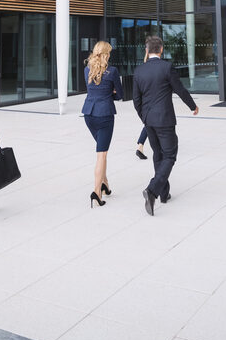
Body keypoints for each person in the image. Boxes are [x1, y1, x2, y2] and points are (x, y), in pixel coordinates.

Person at [132, 35, 198, 216]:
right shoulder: (167, 67)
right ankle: (152, 190)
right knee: (169, 155)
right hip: (165, 120)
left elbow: (136, 100)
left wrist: (144, 117)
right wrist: (193, 106)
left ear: (147, 50)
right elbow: (180, 90)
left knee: (158, 155)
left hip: (149, 121)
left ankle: (164, 193)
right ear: (160, 49)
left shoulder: (139, 71)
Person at [82, 41, 120, 207]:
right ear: (106, 54)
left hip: (89, 114)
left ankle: (105, 184)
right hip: (104, 114)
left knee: (100, 149)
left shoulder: (87, 70)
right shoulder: (112, 71)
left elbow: (91, 89)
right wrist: (111, 92)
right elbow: (120, 95)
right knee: (102, 154)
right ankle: (97, 192)